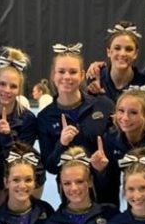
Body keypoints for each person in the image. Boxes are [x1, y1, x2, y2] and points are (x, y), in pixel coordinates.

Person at [36, 43, 114, 180]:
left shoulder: (103, 105)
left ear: (82, 75)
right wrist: (62, 144)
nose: (67, 77)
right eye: (61, 72)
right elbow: (51, 167)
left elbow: (118, 147)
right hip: (72, 192)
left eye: (73, 72)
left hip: (104, 188)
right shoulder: (45, 117)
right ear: (54, 75)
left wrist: (104, 165)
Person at [0, 48, 41, 208]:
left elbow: (20, 160)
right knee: (0, 218)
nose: (6, 90)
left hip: (27, 173)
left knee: (25, 219)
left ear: (19, 90)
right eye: (2, 84)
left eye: (13, 86)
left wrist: (7, 136)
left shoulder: (27, 119)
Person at [92, 88, 145, 208]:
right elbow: (108, 189)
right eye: (121, 111)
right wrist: (101, 171)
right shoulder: (110, 138)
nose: (125, 118)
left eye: (133, 112)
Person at [86, 20, 145, 102]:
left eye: (128, 49)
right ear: (109, 52)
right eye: (117, 48)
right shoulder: (94, 78)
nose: (122, 54)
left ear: (135, 53)